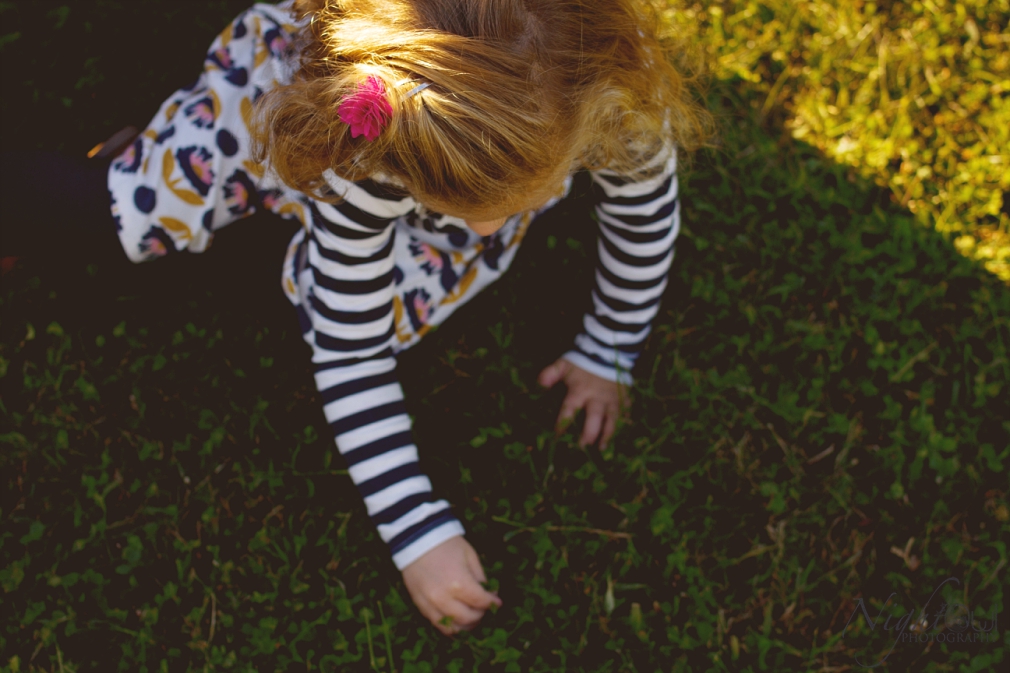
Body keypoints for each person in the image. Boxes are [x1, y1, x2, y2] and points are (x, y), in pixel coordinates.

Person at [5, 0, 710, 636]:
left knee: (352, 293)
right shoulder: (372, 152)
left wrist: (608, 345)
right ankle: (126, 166)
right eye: (473, 205)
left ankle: (221, 195)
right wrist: (416, 531)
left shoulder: (607, 97)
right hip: (275, 102)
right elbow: (350, 350)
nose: (495, 225)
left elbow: (644, 218)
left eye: (518, 197)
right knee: (122, 222)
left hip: (442, 126)